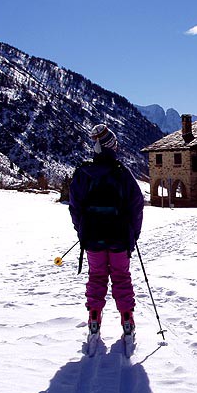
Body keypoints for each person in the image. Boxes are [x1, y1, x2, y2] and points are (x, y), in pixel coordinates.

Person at [68, 123, 144, 337]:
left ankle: (94, 315)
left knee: (97, 276)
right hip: (120, 237)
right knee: (121, 276)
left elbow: (75, 207)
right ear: (112, 147)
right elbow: (137, 206)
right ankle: (127, 316)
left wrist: (81, 231)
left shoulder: (84, 174)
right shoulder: (123, 174)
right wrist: (133, 235)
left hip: (92, 237)